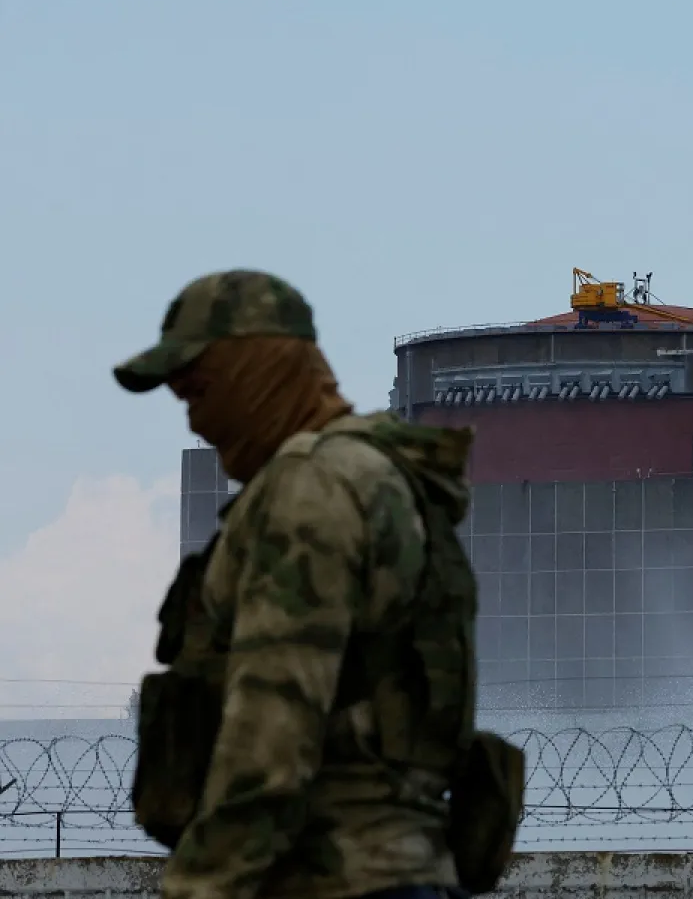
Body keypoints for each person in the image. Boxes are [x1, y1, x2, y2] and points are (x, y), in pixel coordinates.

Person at [116, 269, 521, 899]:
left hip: (330, 877)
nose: (196, 422)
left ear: (258, 370)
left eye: (199, 391)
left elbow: (273, 725)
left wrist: (202, 885)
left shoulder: (312, 485)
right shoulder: (374, 476)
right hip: (396, 870)